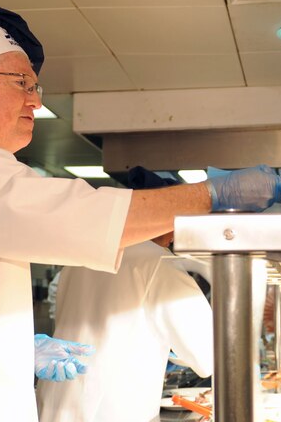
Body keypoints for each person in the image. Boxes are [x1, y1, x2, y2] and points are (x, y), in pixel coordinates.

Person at [0, 1, 281, 422]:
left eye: (35, 86)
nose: (35, 101)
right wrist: (214, 194)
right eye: (20, 83)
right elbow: (73, 215)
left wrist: (16, 347)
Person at [36, 167, 213, 422]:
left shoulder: (79, 259)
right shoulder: (159, 264)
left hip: (56, 407)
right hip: (115, 411)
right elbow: (209, 355)